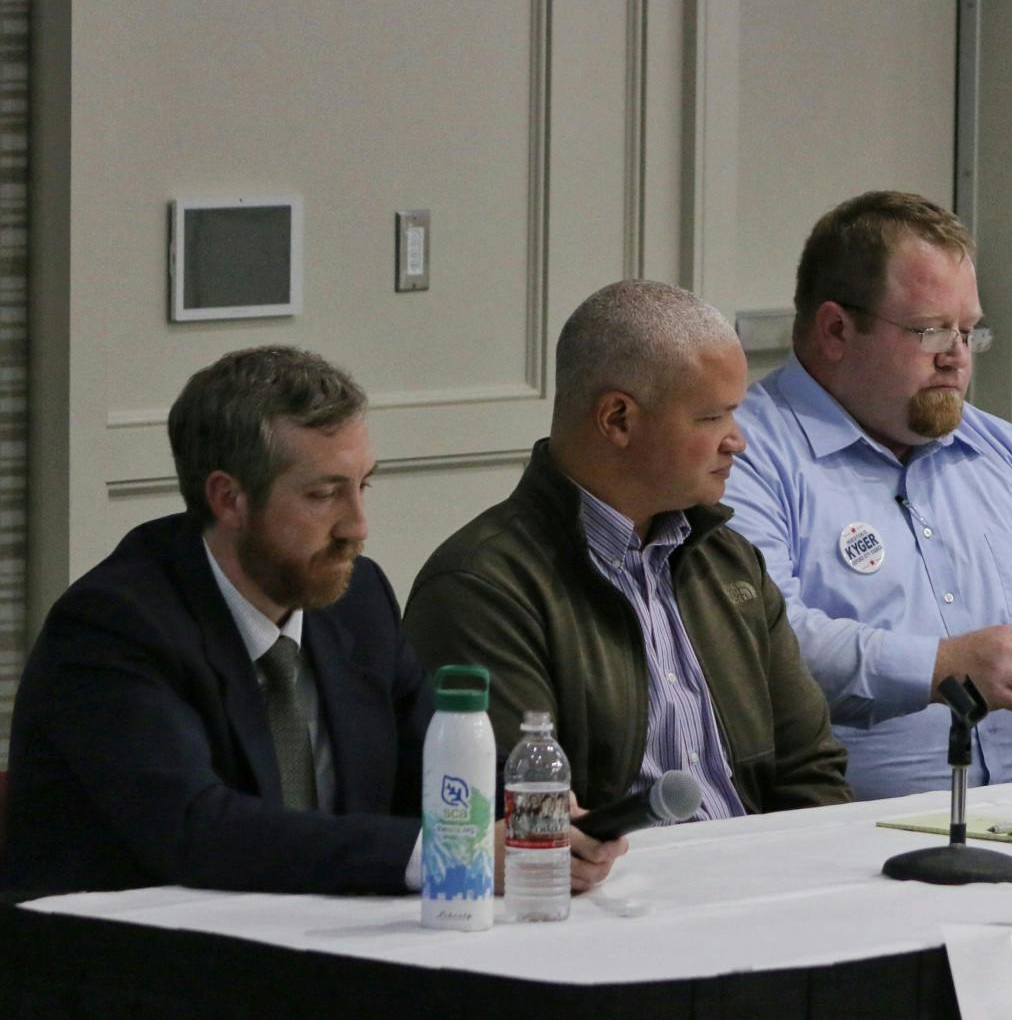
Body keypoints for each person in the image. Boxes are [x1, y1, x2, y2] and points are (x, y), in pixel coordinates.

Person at [1, 346, 625, 895]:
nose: (357, 526)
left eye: (363, 486)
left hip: (323, 959)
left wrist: (537, 821)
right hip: (134, 990)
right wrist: (447, 855)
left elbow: (437, 765)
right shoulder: (116, 626)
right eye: (324, 494)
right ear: (229, 498)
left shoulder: (358, 602)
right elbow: (197, 829)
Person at [724, 190, 1012, 800]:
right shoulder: (743, 455)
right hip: (843, 839)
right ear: (836, 330)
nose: (958, 358)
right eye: (932, 332)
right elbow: (757, 642)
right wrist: (939, 668)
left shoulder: (1008, 453)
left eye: (970, 332)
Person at [404, 281, 850, 819]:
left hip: (760, 879)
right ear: (618, 419)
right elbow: (518, 810)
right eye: (713, 418)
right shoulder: (481, 587)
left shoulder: (731, 563)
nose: (738, 440)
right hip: (609, 891)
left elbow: (810, 770)